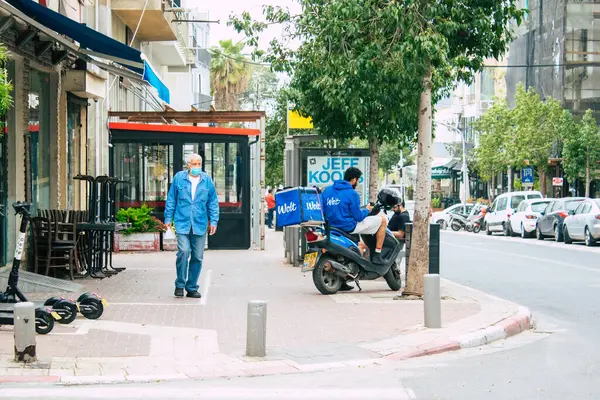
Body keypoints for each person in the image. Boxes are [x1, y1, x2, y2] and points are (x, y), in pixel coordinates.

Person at [164, 154, 219, 298]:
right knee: (183, 251)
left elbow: (213, 202)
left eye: (199, 164)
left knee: (197, 257)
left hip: (200, 223)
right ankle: (180, 284)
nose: (196, 167)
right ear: (188, 165)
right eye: (194, 164)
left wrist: (213, 221)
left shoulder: (207, 180)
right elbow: (171, 199)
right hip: (182, 222)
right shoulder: (179, 178)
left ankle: (192, 287)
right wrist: (168, 218)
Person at [322, 167, 388, 265]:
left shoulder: (327, 190)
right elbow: (359, 217)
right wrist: (368, 210)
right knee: (383, 220)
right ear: (353, 179)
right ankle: (377, 255)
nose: (357, 183)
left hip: (330, 226)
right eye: (358, 180)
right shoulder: (352, 194)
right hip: (348, 226)